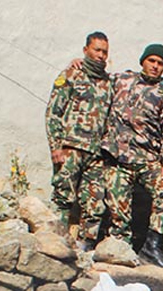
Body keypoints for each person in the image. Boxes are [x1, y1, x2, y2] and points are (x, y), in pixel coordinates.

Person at [101, 43, 163, 269]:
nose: (155, 66)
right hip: (118, 160)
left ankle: (152, 245)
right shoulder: (122, 80)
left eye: (160, 64)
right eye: (152, 61)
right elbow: (97, 80)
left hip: (148, 161)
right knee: (118, 212)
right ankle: (119, 257)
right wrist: (76, 65)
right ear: (143, 61)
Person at [45, 31, 112, 248]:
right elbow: (53, 112)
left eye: (105, 52)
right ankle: (57, 244)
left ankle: (86, 247)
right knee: (63, 197)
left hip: (95, 153)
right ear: (86, 50)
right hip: (70, 147)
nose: (101, 55)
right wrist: (55, 146)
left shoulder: (108, 83)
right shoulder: (71, 75)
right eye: (97, 50)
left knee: (95, 204)